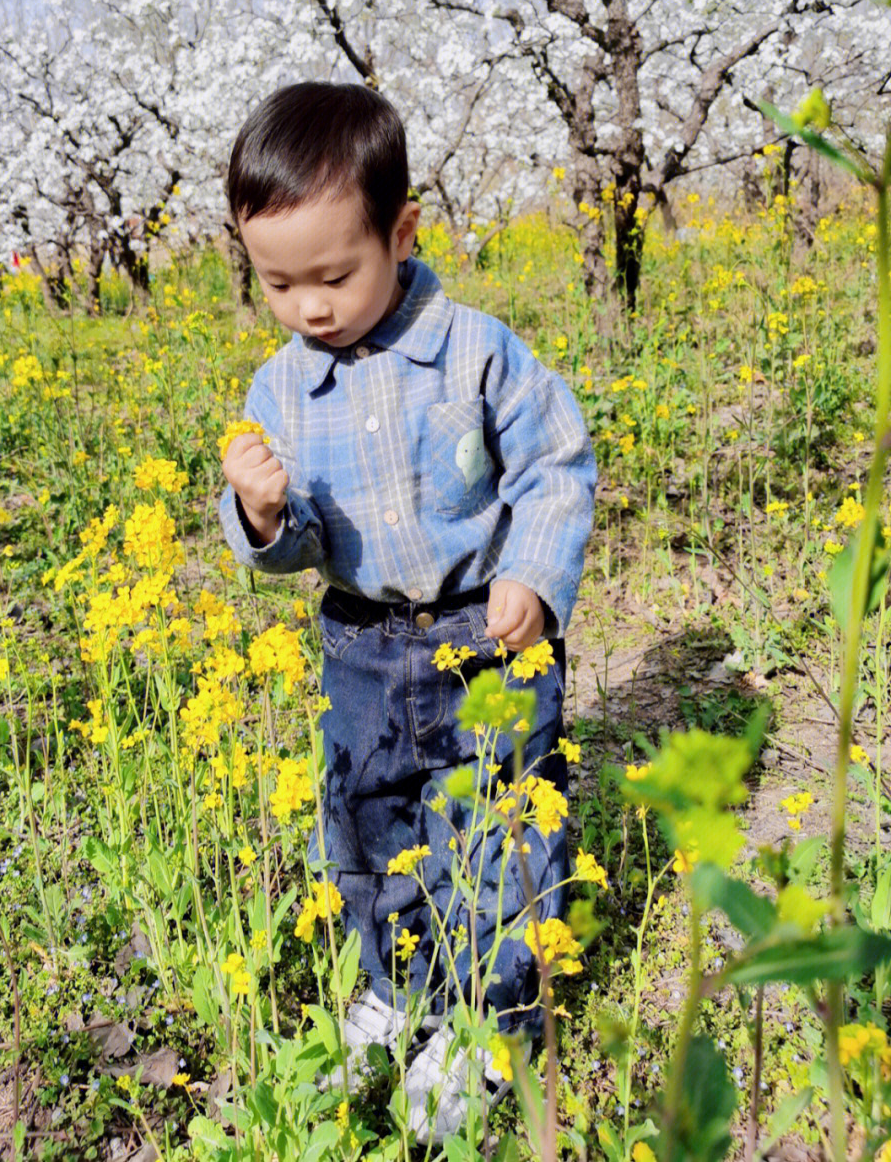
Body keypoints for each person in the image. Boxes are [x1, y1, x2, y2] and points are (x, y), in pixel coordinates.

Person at [219, 81, 596, 1141]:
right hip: (360, 643)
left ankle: (489, 1017)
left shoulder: (476, 350)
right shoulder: (279, 390)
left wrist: (532, 571)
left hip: (487, 631)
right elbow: (290, 551)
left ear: (403, 230)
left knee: (497, 829)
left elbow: (557, 466)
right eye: (279, 283)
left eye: (335, 273)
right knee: (371, 824)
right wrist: (261, 509)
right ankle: (399, 983)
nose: (311, 307)